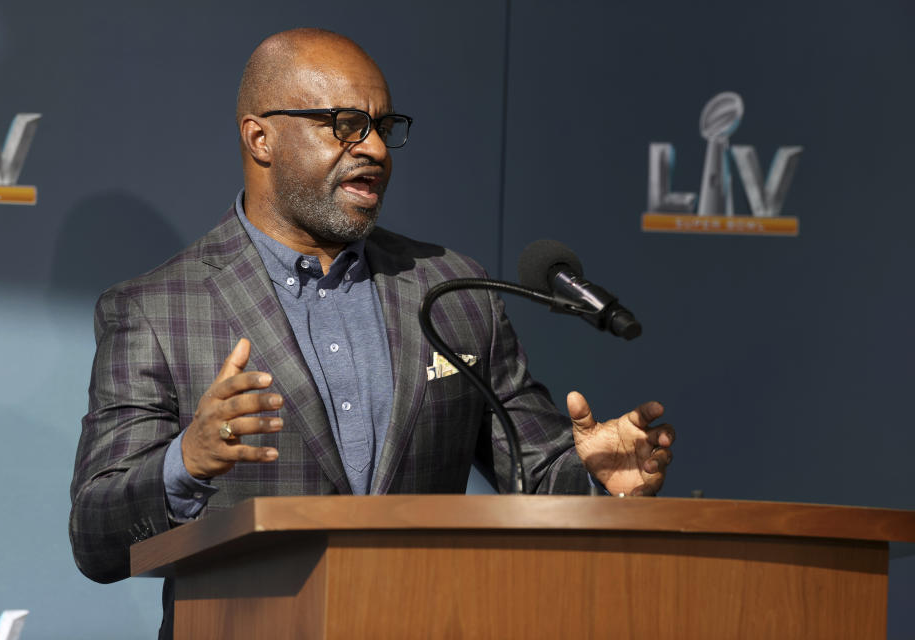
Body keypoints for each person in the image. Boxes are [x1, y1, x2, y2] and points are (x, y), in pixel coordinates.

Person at [69, 27, 674, 637]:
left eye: (383, 128)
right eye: (343, 124)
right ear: (261, 138)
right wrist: (186, 462)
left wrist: (595, 477)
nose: (376, 150)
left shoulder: (452, 290)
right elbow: (96, 537)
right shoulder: (156, 309)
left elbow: (536, 472)